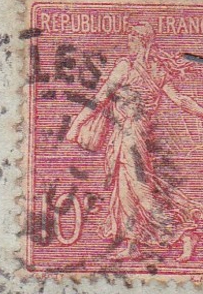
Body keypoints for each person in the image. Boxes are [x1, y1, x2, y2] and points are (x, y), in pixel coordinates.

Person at [65, 21, 203, 259]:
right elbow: (180, 99)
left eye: (131, 38)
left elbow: (100, 99)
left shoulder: (126, 68)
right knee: (124, 190)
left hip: (132, 136)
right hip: (126, 135)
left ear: (141, 41)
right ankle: (131, 244)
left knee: (142, 192)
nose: (128, 42)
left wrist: (77, 125)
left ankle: (183, 233)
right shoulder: (157, 70)